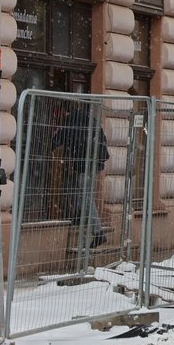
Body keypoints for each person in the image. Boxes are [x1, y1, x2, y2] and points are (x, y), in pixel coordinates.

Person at [52, 104, 109, 249]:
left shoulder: (71, 120)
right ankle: (79, 215)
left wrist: (50, 143)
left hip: (85, 163)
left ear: (64, 111)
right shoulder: (89, 119)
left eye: (58, 115)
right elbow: (102, 139)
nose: (58, 118)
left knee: (85, 195)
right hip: (94, 161)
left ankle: (98, 232)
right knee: (71, 185)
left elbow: (59, 139)